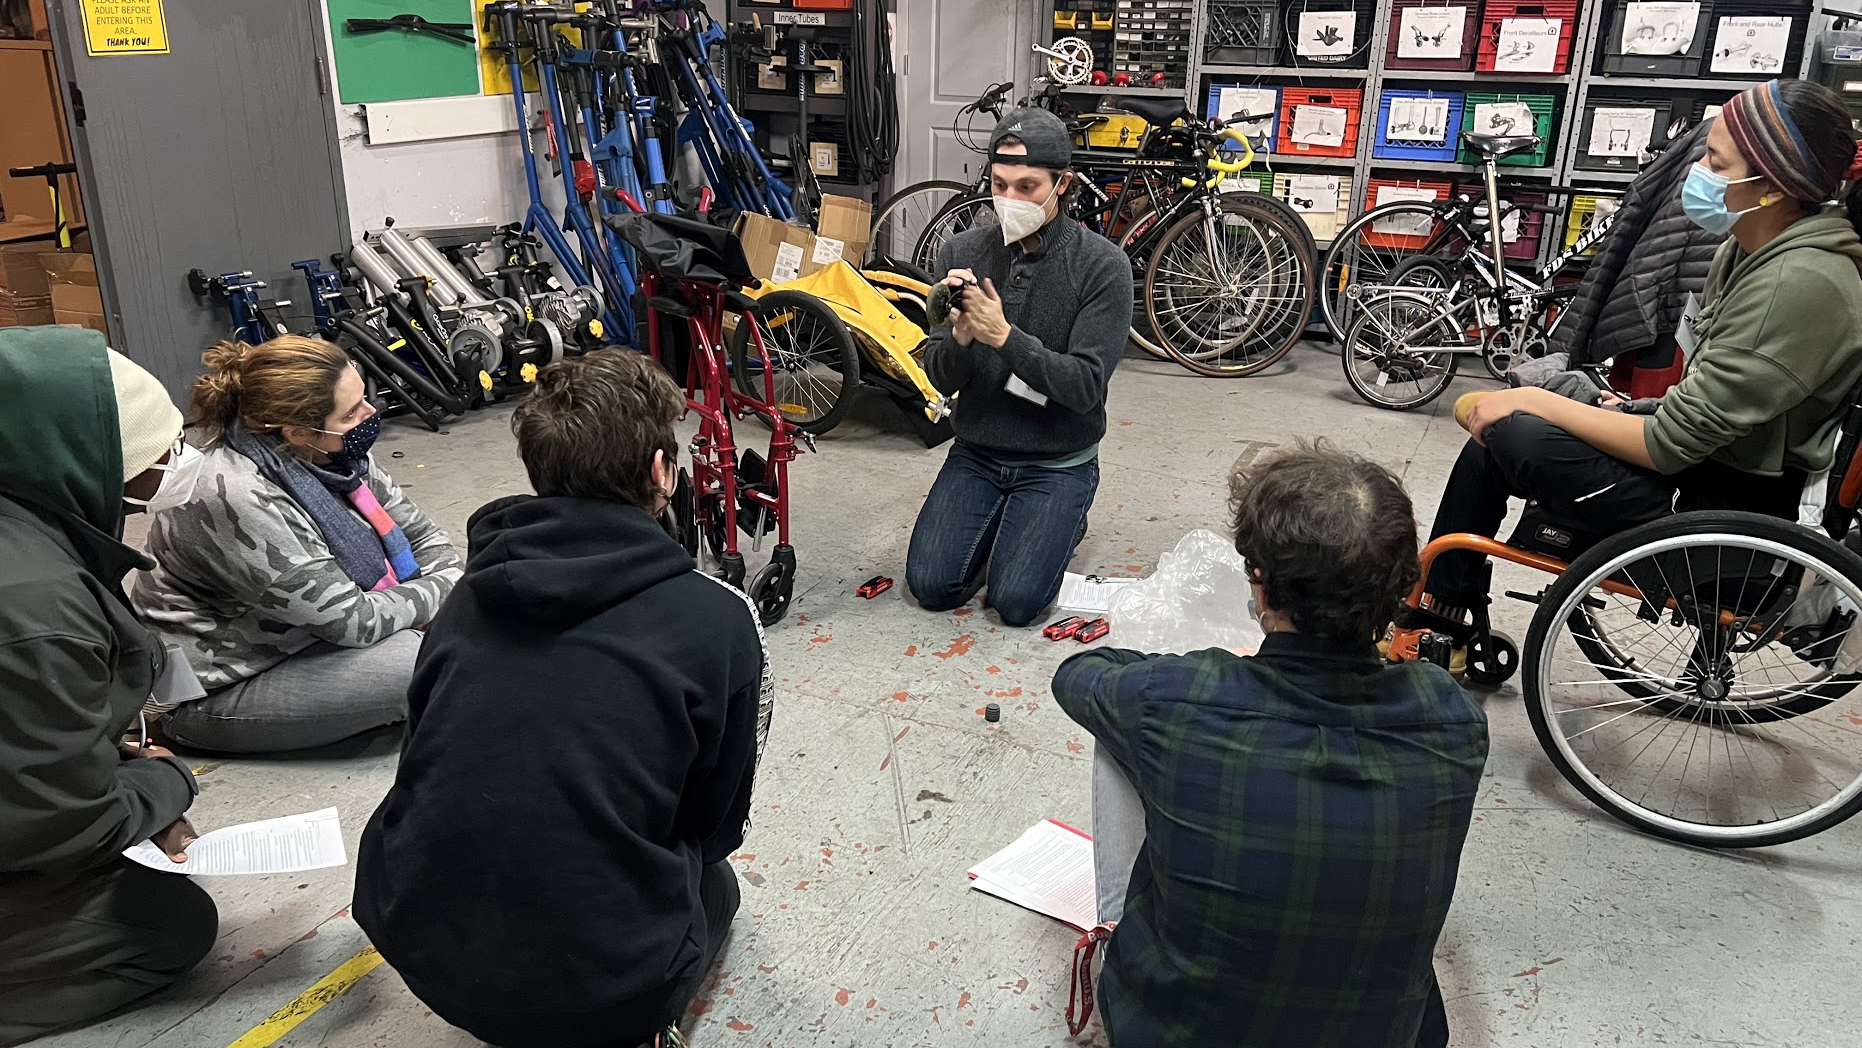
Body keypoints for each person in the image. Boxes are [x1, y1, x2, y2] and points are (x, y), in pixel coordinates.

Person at [354, 349, 772, 1048]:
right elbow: (715, 818)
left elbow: (424, 753)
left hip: (421, 946)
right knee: (717, 889)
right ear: (661, 475)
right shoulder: (718, 620)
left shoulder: (468, 595)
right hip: (600, 995)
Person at [1054, 442, 1488, 1048]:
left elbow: (1076, 676)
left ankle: (1117, 928)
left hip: (1176, 1031)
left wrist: (1209, 669)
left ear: (1260, 584)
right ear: (1398, 587)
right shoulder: (1455, 717)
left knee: (1121, 735)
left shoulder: (1177, 699)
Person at [1419, 78, 1862, 645]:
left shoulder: (1797, 282)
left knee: (1518, 431)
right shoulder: (1748, 249)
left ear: (1771, 186)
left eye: (1715, 162)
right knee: (1495, 433)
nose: (1697, 169)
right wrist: (1628, 406)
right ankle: (1441, 617)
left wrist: (1536, 402)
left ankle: (1438, 615)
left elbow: (1670, 444)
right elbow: (1712, 400)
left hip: (1730, 508)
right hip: (1712, 465)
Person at [0, 328, 216, 1047]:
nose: (172, 466)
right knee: (168, 924)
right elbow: (66, 823)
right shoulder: (36, 603)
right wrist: (166, 785)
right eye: (158, 455)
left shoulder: (28, 541)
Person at [131, 336, 461, 753]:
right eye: (352, 411)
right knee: (418, 665)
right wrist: (451, 590)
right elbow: (355, 621)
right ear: (300, 432)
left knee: (448, 638)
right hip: (220, 686)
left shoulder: (336, 456)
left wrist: (442, 591)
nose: (370, 414)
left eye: (363, 400)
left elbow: (426, 537)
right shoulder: (235, 495)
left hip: (303, 637)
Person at [906, 106, 1134, 627]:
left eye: (1028, 187)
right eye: (999, 184)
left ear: (1063, 185)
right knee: (932, 586)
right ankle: (1009, 527)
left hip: (1057, 459)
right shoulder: (962, 250)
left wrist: (1004, 337)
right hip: (977, 451)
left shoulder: (1102, 267)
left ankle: (1059, 520)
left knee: (1016, 604)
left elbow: (1084, 387)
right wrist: (962, 338)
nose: (1009, 200)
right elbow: (939, 379)